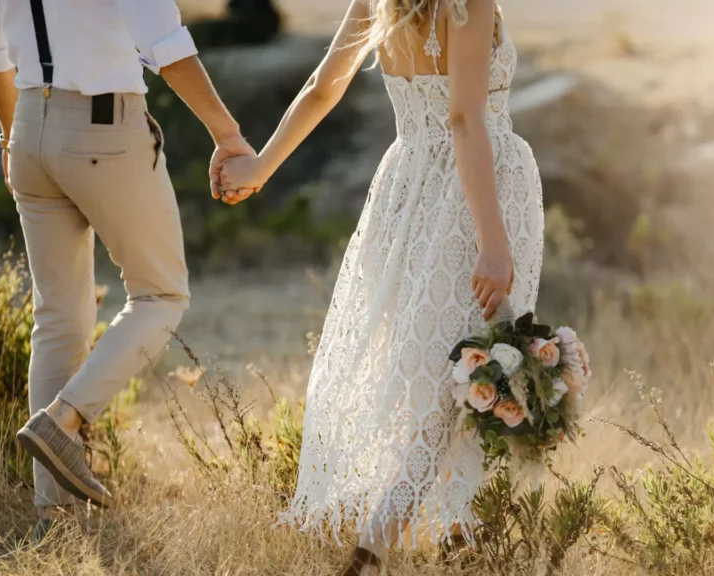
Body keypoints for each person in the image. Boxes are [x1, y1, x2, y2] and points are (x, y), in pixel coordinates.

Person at [217, 1, 544, 573]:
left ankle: (461, 535)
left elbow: (323, 86)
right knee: (466, 374)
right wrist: (493, 240)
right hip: (474, 199)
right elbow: (465, 120)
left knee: (444, 371)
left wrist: (261, 167)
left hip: (407, 189)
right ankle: (374, 547)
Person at [0, 0, 254, 542]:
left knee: (57, 320)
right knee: (161, 296)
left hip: (28, 125)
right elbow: (167, 45)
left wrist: (13, 136)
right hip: (104, 126)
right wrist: (228, 134)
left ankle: (52, 522)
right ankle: (63, 421)